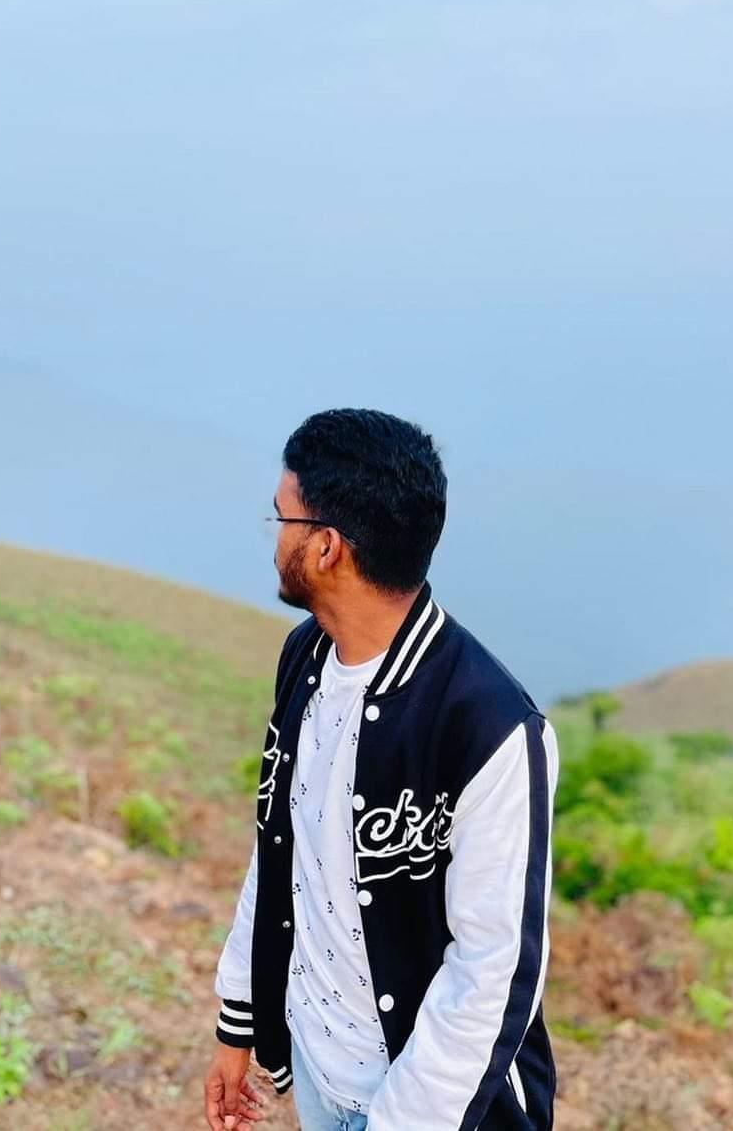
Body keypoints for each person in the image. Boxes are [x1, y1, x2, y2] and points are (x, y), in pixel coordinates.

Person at [203, 409, 559, 1131]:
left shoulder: (489, 726)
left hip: (430, 1108)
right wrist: (239, 1022)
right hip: (319, 1070)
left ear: (326, 546)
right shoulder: (305, 658)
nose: (275, 537)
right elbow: (281, 850)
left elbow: (491, 971)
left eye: (282, 517)